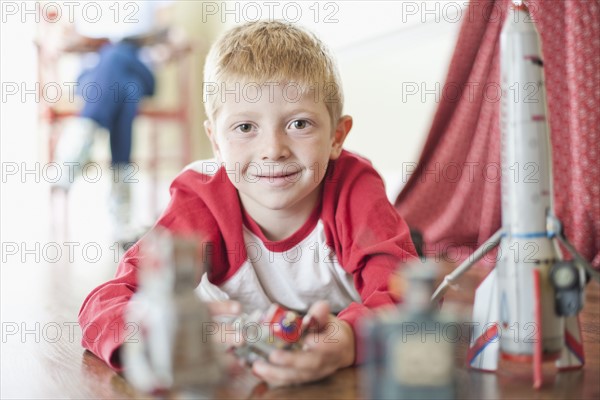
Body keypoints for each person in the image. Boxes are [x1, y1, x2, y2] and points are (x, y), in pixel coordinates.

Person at [78, 20, 418, 386]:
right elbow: (104, 303)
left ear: (337, 137)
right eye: (245, 128)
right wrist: (155, 340)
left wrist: (351, 340)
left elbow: (413, 300)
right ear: (216, 142)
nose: (273, 150)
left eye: (300, 124)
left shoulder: (354, 188)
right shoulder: (202, 199)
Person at [51, 1, 181, 244]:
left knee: (116, 53)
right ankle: (121, 219)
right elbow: (62, 35)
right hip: (95, 77)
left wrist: (168, 45)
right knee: (126, 92)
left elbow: (169, 31)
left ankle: (75, 149)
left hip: (140, 68)